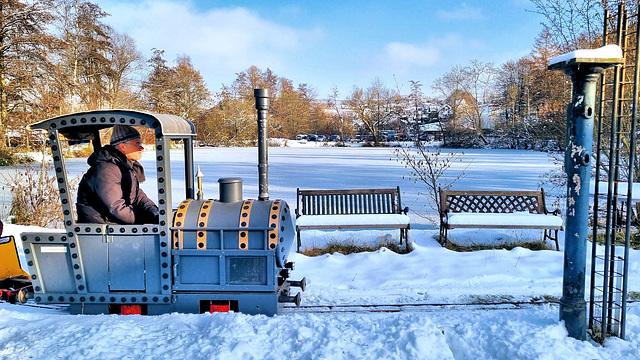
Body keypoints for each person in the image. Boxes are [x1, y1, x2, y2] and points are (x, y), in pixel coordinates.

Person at [76, 125, 159, 224]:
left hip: (112, 224)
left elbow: (136, 196)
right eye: (137, 144)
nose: (142, 148)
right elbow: (115, 208)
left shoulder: (125, 166)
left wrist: (153, 210)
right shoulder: (107, 170)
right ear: (122, 146)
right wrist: (145, 218)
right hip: (103, 229)